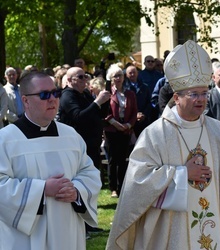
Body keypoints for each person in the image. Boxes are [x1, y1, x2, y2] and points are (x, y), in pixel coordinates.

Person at [106, 40, 220, 250]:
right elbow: (138, 182)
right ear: (176, 97)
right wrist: (182, 174)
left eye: (204, 93)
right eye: (194, 94)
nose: (201, 100)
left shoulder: (217, 130)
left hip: (212, 226)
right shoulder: (156, 134)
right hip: (172, 230)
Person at [0, 71, 101, 249]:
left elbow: (89, 173)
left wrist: (76, 192)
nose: (52, 99)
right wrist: (42, 189)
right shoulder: (6, 140)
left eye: (55, 93)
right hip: (25, 239)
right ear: (25, 101)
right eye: (44, 95)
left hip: (68, 232)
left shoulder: (70, 135)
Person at [58, 66, 110, 236]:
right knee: (80, 185)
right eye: (80, 77)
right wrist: (96, 103)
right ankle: (82, 225)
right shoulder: (67, 96)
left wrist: (105, 101)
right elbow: (78, 117)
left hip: (91, 146)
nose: (84, 80)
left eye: (85, 76)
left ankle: (89, 222)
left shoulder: (85, 94)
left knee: (91, 184)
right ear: (70, 80)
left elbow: (99, 114)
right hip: (78, 148)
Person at [104, 64, 137, 198]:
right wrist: (115, 124)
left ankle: (122, 185)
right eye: (115, 76)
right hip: (112, 130)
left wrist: (129, 125)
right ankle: (113, 188)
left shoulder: (130, 93)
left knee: (123, 159)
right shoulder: (107, 93)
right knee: (113, 160)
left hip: (126, 130)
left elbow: (134, 112)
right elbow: (105, 112)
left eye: (120, 75)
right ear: (110, 78)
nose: (118, 78)